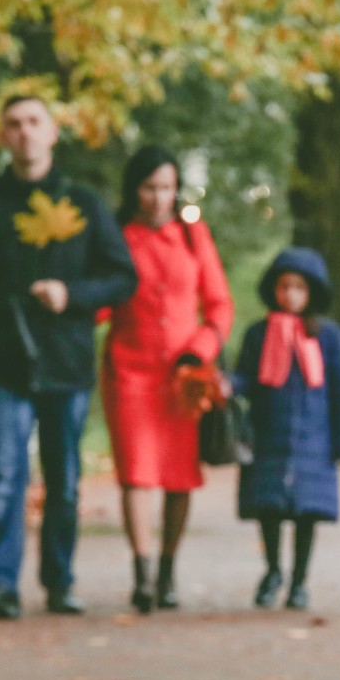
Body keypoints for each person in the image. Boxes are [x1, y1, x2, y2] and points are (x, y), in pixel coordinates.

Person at [0, 93, 139, 620]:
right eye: (14, 124)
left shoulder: (83, 204)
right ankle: (1, 584)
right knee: (5, 475)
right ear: (3, 136)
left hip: (65, 361)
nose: (24, 132)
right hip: (1, 360)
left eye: (34, 122)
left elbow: (122, 277)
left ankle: (59, 581)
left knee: (63, 480)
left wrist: (74, 295)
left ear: (52, 132)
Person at [102, 145, 234, 613]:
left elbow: (219, 305)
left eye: (166, 187)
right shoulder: (116, 235)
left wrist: (199, 350)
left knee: (179, 475)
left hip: (184, 376)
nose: (159, 197)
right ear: (133, 189)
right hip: (129, 368)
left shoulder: (194, 234)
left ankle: (167, 572)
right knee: (136, 473)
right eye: (149, 187)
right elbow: (100, 300)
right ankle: (140, 574)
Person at [233, 248, 340, 612]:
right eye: (284, 286)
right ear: (273, 289)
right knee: (268, 508)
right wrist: (225, 384)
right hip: (267, 435)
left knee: (307, 513)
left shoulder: (328, 337)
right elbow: (246, 378)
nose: (290, 294)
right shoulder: (258, 333)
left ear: (312, 292)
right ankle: (272, 571)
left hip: (314, 441)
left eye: (299, 287)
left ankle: (300, 581)